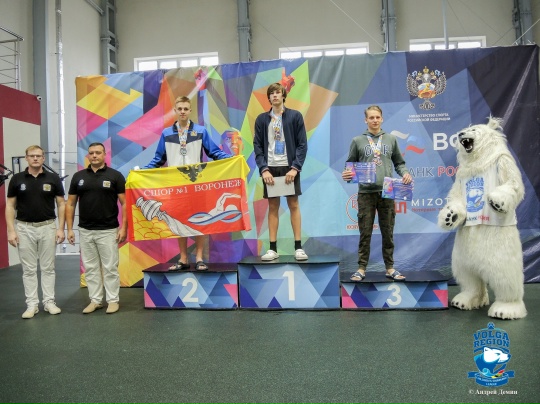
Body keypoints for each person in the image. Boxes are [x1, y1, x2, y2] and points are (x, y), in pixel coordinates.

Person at [144, 96, 232, 271]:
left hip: (196, 183)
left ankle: (199, 258)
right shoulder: (166, 134)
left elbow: (214, 152)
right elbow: (158, 159)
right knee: (178, 220)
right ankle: (183, 258)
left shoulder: (200, 131)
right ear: (175, 111)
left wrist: (232, 159)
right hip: (175, 185)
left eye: (186, 109)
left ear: (190, 111)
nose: (183, 112)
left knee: (200, 219)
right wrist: (142, 171)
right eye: (180, 109)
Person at [341, 105, 412, 281]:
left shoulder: (391, 139)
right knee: (365, 232)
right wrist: (347, 174)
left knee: (388, 232)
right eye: (371, 117)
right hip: (366, 193)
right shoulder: (358, 140)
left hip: (387, 191)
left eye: (377, 117)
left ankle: (390, 268)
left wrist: (405, 174)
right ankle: (361, 268)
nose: (374, 120)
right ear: (366, 120)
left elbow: (399, 163)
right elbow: (350, 166)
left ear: (382, 119)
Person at [66, 142, 127, 314]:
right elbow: (70, 204)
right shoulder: (78, 177)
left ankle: (113, 300)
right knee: (91, 268)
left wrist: (124, 228)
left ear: (104, 154)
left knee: (110, 268)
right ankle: (95, 300)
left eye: (98, 152)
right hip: (85, 230)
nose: (94, 155)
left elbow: (124, 203)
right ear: (88, 155)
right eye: (91, 153)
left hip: (108, 230)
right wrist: (69, 229)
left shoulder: (115, 176)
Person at [6, 145, 65, 319]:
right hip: (24, 228)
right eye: (32, 156)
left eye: (39, 156)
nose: (35, 158)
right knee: (29, 269)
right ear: (26, 158)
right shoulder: (17, 179)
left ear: (43, 158)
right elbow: (10, 206)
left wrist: (61, 228)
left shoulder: (53, 178)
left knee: (48, 268)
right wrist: (11, 230)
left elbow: (61, 204)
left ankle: (49, 302)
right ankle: (32, 304)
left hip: (48, 227)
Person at [253, 82, 308, 261]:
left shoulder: (295, 116)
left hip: (289, 167)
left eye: (278, 92)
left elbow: (302, 144)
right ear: (269, 98)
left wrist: (295, 168)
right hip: (270, 168)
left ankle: (298, 248)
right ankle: (272, 249)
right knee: (273, 207)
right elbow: (257, 146)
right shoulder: (262, 119)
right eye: (272, 93)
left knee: (293, 205)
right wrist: (264, 169)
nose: (275, 95)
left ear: (283, 95)